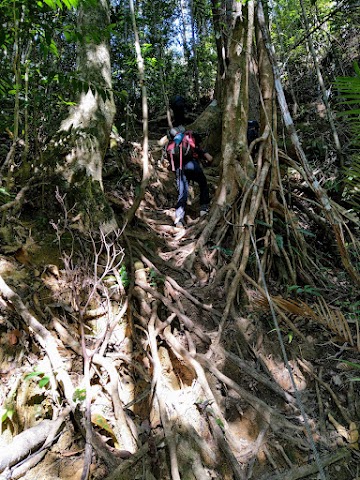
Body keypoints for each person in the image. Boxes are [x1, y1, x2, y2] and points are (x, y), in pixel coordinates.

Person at [167, 129, 213, 228]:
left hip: (180, 168)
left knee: (182, 193)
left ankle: (179, 219)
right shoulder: (192, 145)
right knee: (203, 183)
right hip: (192, 165)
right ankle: (203, 209)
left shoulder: (173, 145)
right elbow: (210, 158)